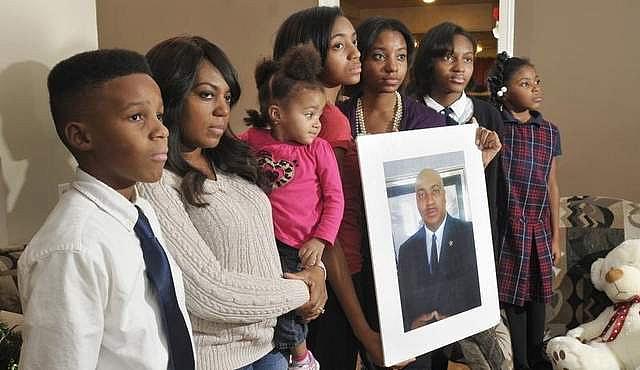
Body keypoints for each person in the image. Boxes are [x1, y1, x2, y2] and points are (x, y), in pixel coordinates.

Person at [140, 36, 327, 370]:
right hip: (215, 360)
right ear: (169, 97)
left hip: (270, 348)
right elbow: (208, 292)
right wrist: (306, 291)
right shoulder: (156, 182)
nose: (223, 109)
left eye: (227, 96)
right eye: (206, 94)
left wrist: (317, 270)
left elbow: (279, 235)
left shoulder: (233, 161)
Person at [18, 49, 195, 369]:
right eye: (136, 117)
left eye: (159, 114)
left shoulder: (139, 211)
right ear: (81, 136)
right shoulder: (71, 248)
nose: (161, 130)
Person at [273, 7, 388, 369]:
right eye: (340, 46)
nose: (357, 53)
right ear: (308, 53)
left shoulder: (320, 114)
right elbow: (331, 231)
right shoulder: (328, 121)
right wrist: (363, 329)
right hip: (331, 281)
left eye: (355, 42)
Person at [242, 44, 344, 370]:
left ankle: (301, 358)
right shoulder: (253, 141)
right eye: (309, 114)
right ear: (277, 114)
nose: (317, 124)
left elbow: (335, 199)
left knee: (290, 303)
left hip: (296, 246)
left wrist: (320, 239)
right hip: (260, 241)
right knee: (268, 304)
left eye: (319, 115)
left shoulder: (320, 150)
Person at [488, 52, 561, 370]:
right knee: (514, 301)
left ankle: (536, 355)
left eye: (537, 82)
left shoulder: (549, 131)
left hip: (540, 230)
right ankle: (521, 362)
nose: (535, 88)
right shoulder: (495, 128)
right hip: (508, 230)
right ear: (504, 90)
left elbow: (552, 185)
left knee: (538, 296)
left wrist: (557, 236)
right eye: (525, 83)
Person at [408, 21, 504, 257]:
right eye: (449, 58)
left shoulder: (488, 115)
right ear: (430, 61)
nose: (460, 67)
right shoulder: (409, 113)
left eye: (468, 59)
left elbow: (497, 186)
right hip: (423, 231)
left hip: (477, 234)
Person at [397, 168, 480, 332]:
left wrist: (459, 322)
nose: (429, 201)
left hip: (465, 336)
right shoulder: (406, 250)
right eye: (421, 195)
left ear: (444, 195)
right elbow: (403, 305)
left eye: (435, 191)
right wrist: (411, 325)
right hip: (422, 341)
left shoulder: (470, 234)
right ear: (416, 202)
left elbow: (479, 293)